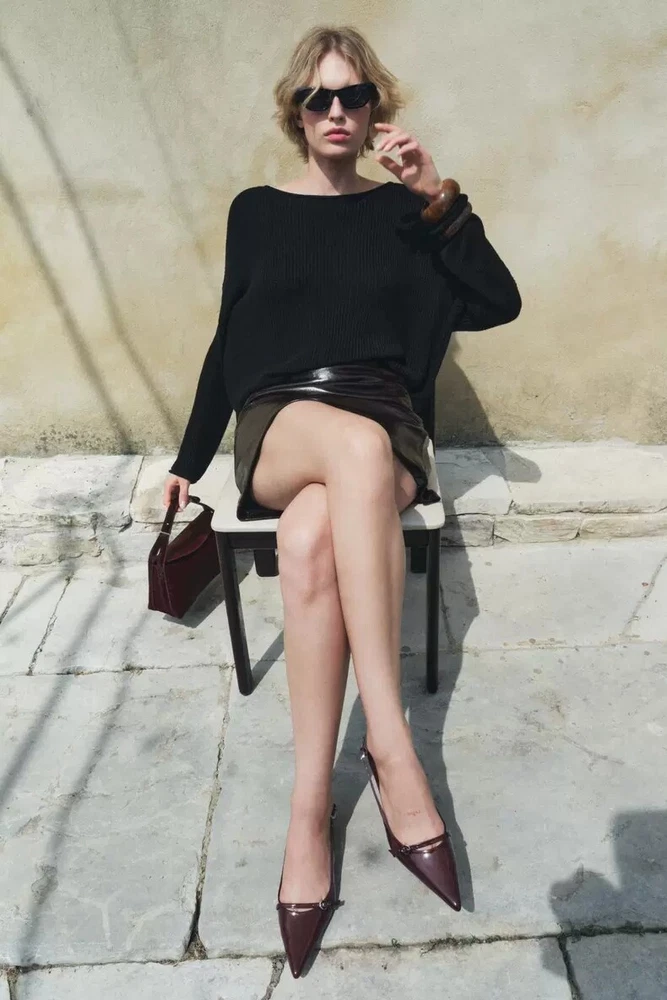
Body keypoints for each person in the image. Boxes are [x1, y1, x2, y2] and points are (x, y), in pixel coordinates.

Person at [163, 24, 521, 978]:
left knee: (313, 533)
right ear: (295, 112)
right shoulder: (255, 211)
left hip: (382, 417)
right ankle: (391, 749)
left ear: (374, 111)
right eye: (317, 97)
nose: (335, 111)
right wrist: (190, 457)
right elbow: (228, 338)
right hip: (281, 419)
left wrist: (436, 196)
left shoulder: (408, 212)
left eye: (352, 96)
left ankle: (306, 809)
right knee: (343, 454)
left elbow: (497, 301)